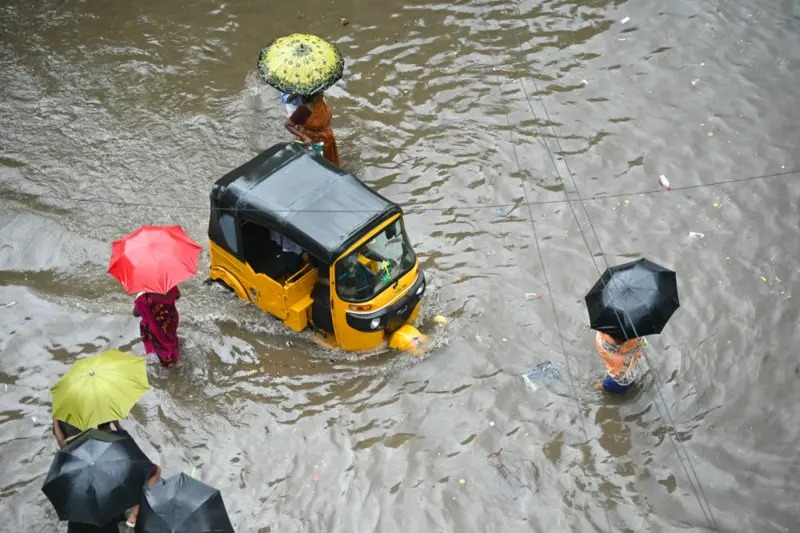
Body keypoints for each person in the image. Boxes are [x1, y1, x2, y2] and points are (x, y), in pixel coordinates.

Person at [284, 91, 340, 166]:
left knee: (329, 163)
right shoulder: (303, 110)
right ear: (313, 97)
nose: (322, 93)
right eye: (319, 93)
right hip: (312, 142)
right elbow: (288, 125)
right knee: (314, 163)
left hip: (327, 138)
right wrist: (304, 137)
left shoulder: (321, 101)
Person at [133, 287, 181, 367]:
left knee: (160, 345)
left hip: (156, 327)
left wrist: (139, 295)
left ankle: (168, 363)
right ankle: (174, 351)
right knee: (171, 337)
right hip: (170, 321)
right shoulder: (171, 288)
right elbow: (178, 296)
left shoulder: (144, 298)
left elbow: (135, 314)